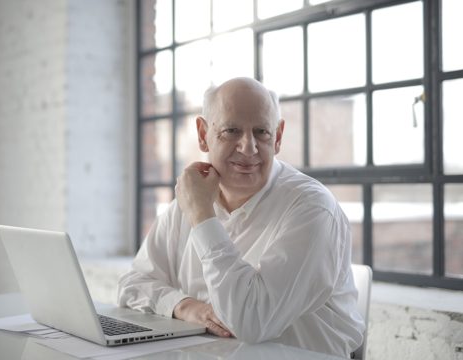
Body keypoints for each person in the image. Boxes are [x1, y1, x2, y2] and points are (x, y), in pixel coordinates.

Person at [118, 77, 364, 357]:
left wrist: (202, 217)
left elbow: (250, 322)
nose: (248, 148)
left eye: (261, 132)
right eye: (231, 130)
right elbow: (132, 285)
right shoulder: (191, 199)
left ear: (279, 136)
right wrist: (186, 307)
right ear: (202, 134)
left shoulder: (312, 209)